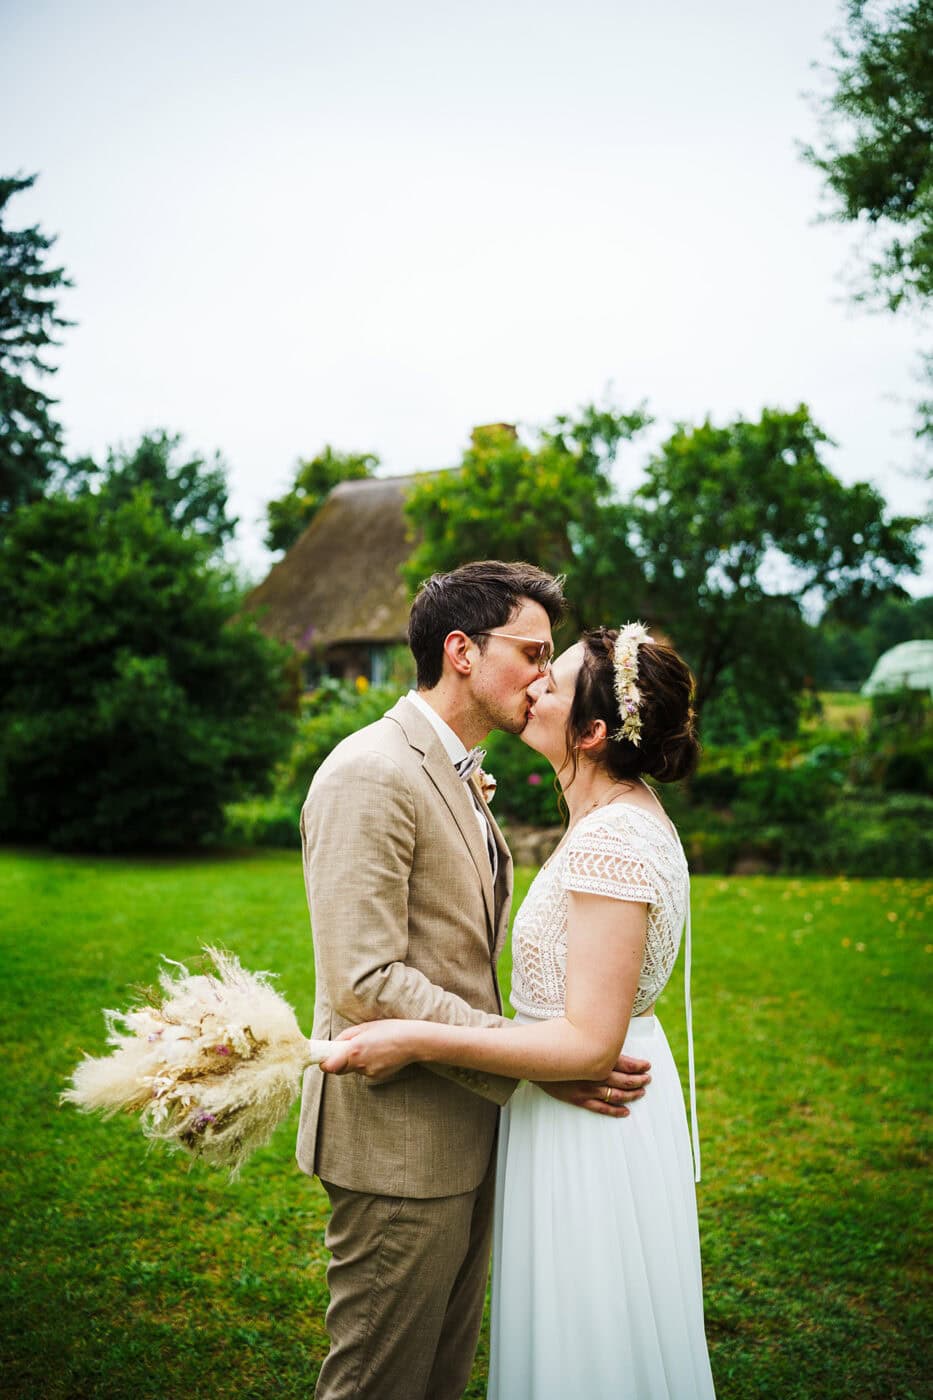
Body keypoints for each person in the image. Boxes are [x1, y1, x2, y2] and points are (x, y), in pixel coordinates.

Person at [324, 623, 717, 1399]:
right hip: (560, 1113)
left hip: (590, 1121)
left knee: (589, 1345)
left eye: (553, 679)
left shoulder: (614, 841)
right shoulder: (608, 818)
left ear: (594, 732)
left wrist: (409, 1037)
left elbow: (587, 1048)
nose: (534, 686)